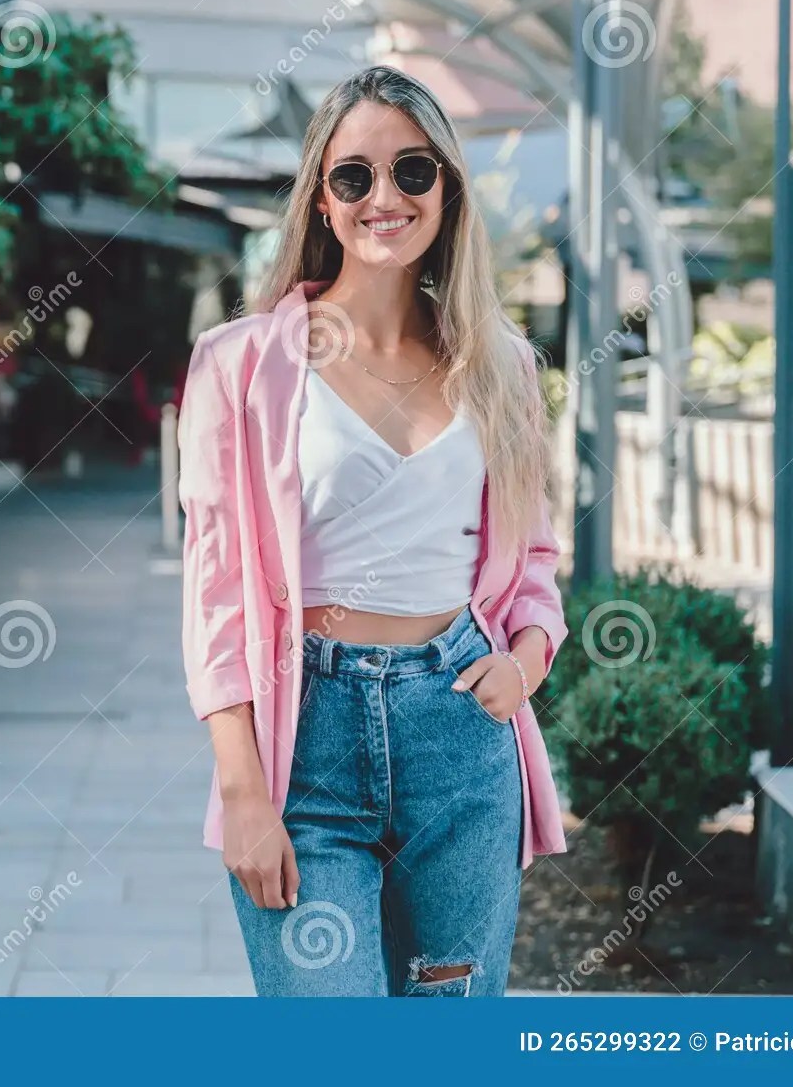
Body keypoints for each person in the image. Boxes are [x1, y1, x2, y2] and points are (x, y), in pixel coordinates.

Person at [177, 66, 569, 998]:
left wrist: (526, 662)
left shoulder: (501, 367)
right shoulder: (239, 365)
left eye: (412, 172)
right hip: (302, 743)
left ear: (448, 187)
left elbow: (536, 561)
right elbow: (217, 591)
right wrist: (242, 791)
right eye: (354, 176)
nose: (383, 198)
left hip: (461, 736)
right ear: (322, 197)